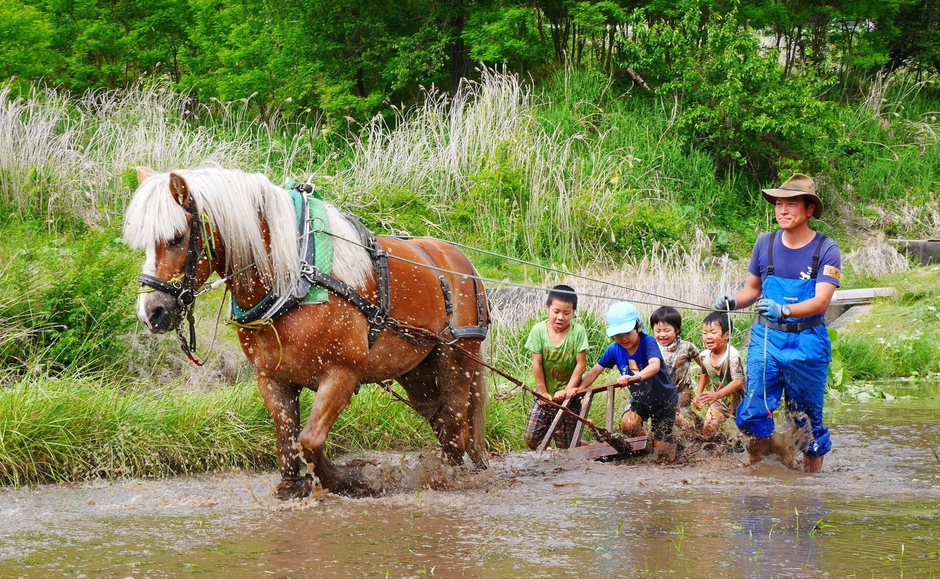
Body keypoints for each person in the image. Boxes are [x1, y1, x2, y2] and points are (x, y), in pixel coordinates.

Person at [714, 173, 841, 472]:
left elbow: (822, 301)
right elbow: (753, 290)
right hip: (766, 340)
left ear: (809, 210)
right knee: (756, 410)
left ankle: (809, 490)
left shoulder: (826, 249)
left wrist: (784, 310)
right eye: (778, 204)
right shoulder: (764, 243)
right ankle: (761, 478)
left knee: (806, 419)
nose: (782, 210)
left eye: (791, 204)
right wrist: (733, 302)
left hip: (807, 341)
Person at [579, 301, 679, 462]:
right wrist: (579, 389)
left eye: (627, 332)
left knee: (663, 456)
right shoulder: (614, 349)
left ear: (638, 327)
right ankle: (647, 450)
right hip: (641, 401)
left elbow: (654, 366)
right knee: (628, 424)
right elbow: (595, 371)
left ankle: (665, 445)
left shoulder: (648, 342)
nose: (623, 338)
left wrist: (632, 378)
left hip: (665, 402)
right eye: (618, 335)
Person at [524, 284, 589, 450]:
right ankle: (547, 455)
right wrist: (543, 392)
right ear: (548, 308)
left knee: (566, 448)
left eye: (567, 313)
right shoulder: (538, 330)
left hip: (569, 396)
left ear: (573, 312)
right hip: (545, 393)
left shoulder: (578, 332)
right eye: (556, 312)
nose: (561, 317)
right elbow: (537, 364)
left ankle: (584, 446)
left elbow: (581, 364)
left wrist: (568, 390)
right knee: (531, 439)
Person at [692, 311, 745, 439]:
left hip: (741, 400)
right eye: (705, 333)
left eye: (713, 332)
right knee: (708, 427)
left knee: (746, 435)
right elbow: (704, 373)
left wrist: (717, 394)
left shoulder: (732, 356)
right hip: (719, 401)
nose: (708, 337)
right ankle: (714, 452)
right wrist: (699, 393)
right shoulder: (704, 356)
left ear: (727, 335)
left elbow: (739, 381)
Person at [650, 306, 705, 421]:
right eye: (658, 331)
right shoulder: (652, 348)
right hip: (662, 391)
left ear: (677, 330)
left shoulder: (687, 347)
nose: (662, 335)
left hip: (683, 391)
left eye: (667, 330)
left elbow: (705, 367)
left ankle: (694, 428)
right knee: (662, 417)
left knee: (673, 412)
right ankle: (692, 424)